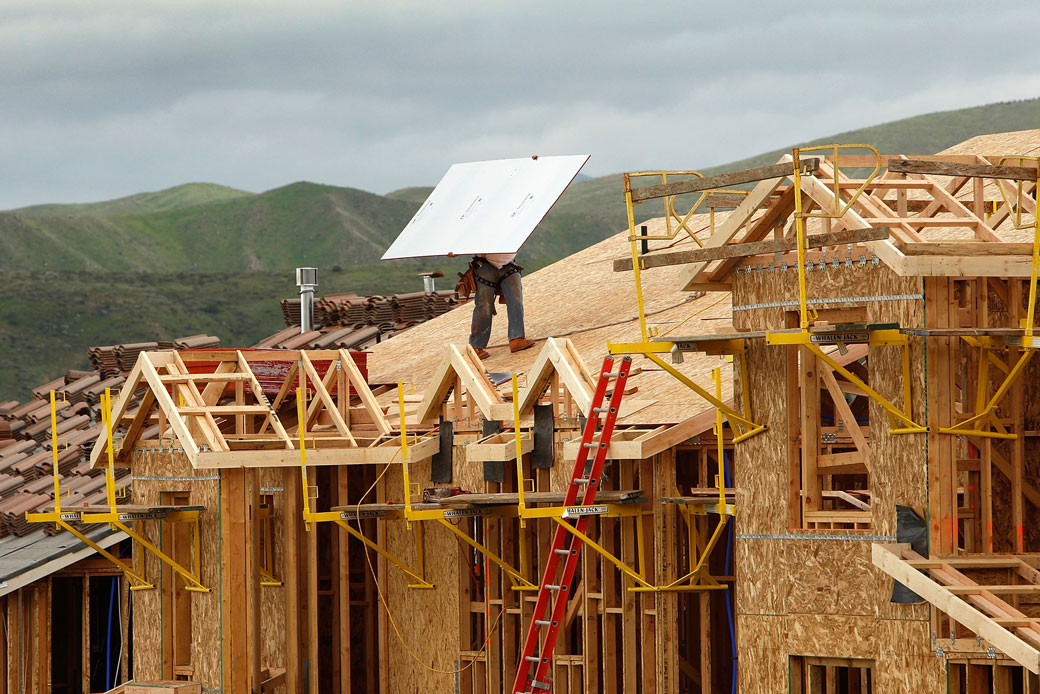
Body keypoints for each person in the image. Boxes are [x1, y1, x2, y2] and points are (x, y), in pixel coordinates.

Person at [466, 253, 534, 359]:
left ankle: (517, 338)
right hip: (486, 266)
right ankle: (476, 346)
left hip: (508, 265)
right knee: (484, 306)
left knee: (515, 301)